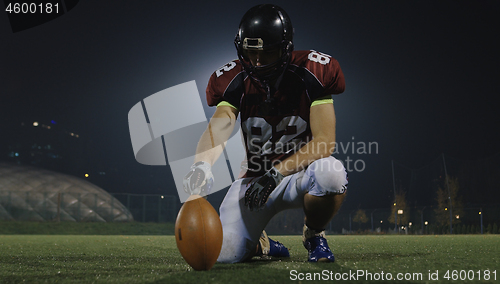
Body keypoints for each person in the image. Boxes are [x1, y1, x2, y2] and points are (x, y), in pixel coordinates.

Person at [183, 4, 348, 263]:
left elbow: (324, 142)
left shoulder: (312, 72)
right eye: (251, 52)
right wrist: (202, 164)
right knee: (225, 254)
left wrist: (277, 173)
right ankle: (262, 245)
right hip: (254, 182)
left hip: (299, 175)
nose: (257, 61)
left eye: (267, 52)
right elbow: (221, 123)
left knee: (331, 173)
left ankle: (314, 234)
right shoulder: (234, 78)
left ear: (284, 48)